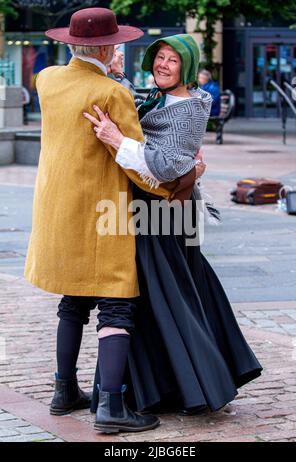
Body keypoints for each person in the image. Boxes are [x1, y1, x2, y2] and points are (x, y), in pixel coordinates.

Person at [24, 8, 200, 435]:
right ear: (105, 47)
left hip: (57, 211)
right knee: (117, 306)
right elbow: (139, 167)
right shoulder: (111, 94)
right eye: (116, 44)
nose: (120, 49)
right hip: (104, 215)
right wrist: (181, 183)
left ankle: (64, 391)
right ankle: (111, 407)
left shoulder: (46, 80)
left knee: (73, 301)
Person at [85, 34, 263, 416]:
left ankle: (187, 386)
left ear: (188, 66)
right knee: (160, 293)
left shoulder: (191, 108)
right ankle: (158, 387)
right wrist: (117, 76)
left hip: (166, 211)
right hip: (151, 206)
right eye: (158, 58)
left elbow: (166, 164)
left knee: (165, 294)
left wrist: (119, 141)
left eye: (172, 60)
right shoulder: (158, 96)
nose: (162, 65)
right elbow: (140, 111)